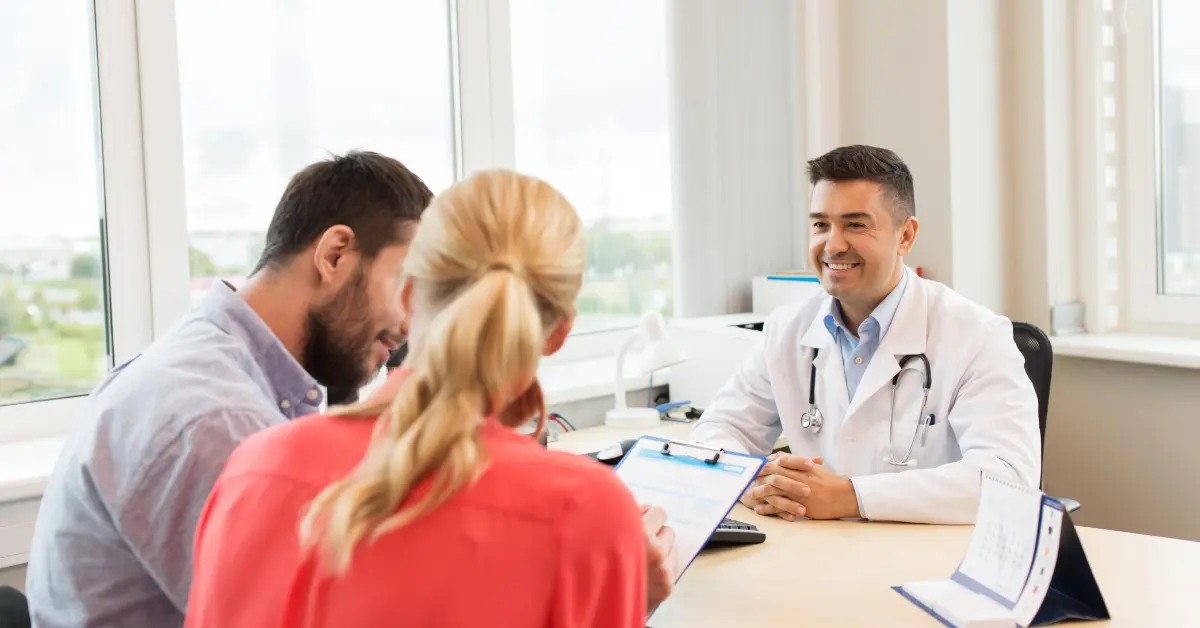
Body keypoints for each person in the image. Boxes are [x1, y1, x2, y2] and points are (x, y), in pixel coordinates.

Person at [185, 170, 670, 628]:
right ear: (559, 333)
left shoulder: (255, 463)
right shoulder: (586, 513)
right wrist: (624, 591)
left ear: (411, 297)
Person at [24, 151, 432, 628]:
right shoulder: (212, 418)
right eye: (406, 284)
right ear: (334, 254)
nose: (410, 322)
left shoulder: (232, 373)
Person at [691, 144, 1041, 525]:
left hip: (928, 561)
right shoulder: (787, 330)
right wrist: (752, 481)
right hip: (816, 554)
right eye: (820, 224)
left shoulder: (977, 336)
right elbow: (718, 429)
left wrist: (850, 497)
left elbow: (1009, 479)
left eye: (855, 224)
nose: (833, 244)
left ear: (905, 236)